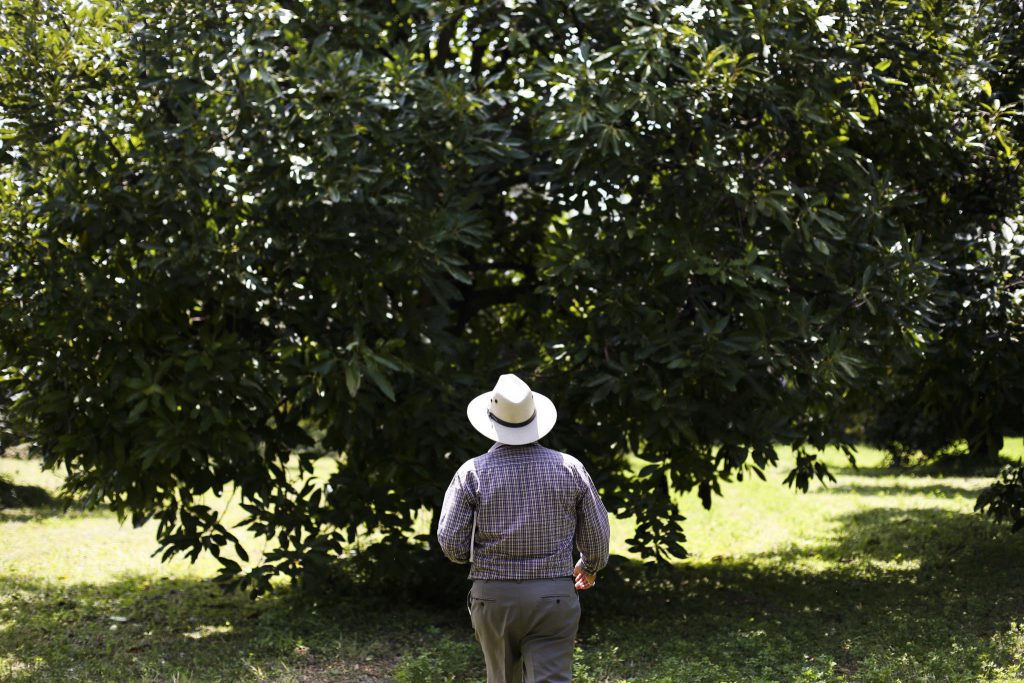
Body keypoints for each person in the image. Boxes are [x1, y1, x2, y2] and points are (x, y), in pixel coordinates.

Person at [438, 373, 610, 683]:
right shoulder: (570, 468)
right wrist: (590, 565)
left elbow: (451, 542)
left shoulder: (471, 473)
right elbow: (596, 536)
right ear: (534, 419)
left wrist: (469, 557)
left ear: (491, 422)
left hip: (493, 595)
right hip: (553, 596)